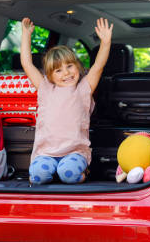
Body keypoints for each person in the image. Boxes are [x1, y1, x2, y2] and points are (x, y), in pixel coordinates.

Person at [20, 17, 113, 184]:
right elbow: (27, 64)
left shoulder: (84, 88)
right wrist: (26, 36)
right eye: (58, 70)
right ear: (49, 75)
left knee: (68, 174)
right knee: (37, 177)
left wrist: (105, 43)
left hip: (74, 152)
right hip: (46, 152)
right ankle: (50, 171)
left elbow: (98, 66)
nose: (66, 73)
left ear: (78, 66)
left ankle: (83, 170)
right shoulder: (45, 88)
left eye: (70, 66)